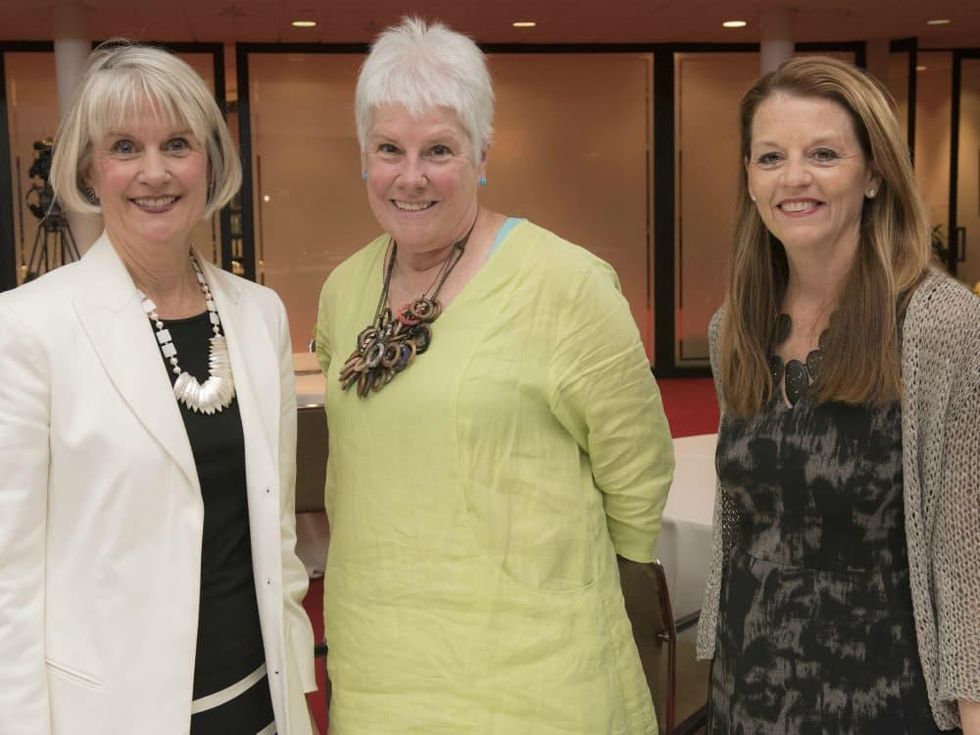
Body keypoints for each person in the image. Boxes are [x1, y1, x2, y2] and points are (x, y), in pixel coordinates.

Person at [314, 17, 675, 734]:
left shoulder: (565, 284)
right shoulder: (342, 291)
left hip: (537, 678)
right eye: (389, 148)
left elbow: (638, 470)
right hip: (378, 668)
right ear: (363, 156)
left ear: (482, 154)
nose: (410, 175)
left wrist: (560, 587)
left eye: (439, 150)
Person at [0, 43, 317, 734]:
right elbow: (8, 579)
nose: (154, 172)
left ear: (208, 159)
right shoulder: (28, 329)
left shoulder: (259, 315)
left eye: (176, 143)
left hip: (264, 703)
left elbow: (278, 531)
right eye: (124, 146)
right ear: (90, 167)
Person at [696, 55, 980, 733]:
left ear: (875, 172)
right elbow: (740, 529)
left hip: (886, 701)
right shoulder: (734, 327)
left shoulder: (939, 324)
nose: (795, 177)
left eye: (824, 153)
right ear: (750, 179)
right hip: (746, 692)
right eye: (770, 157)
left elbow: (966, 555)